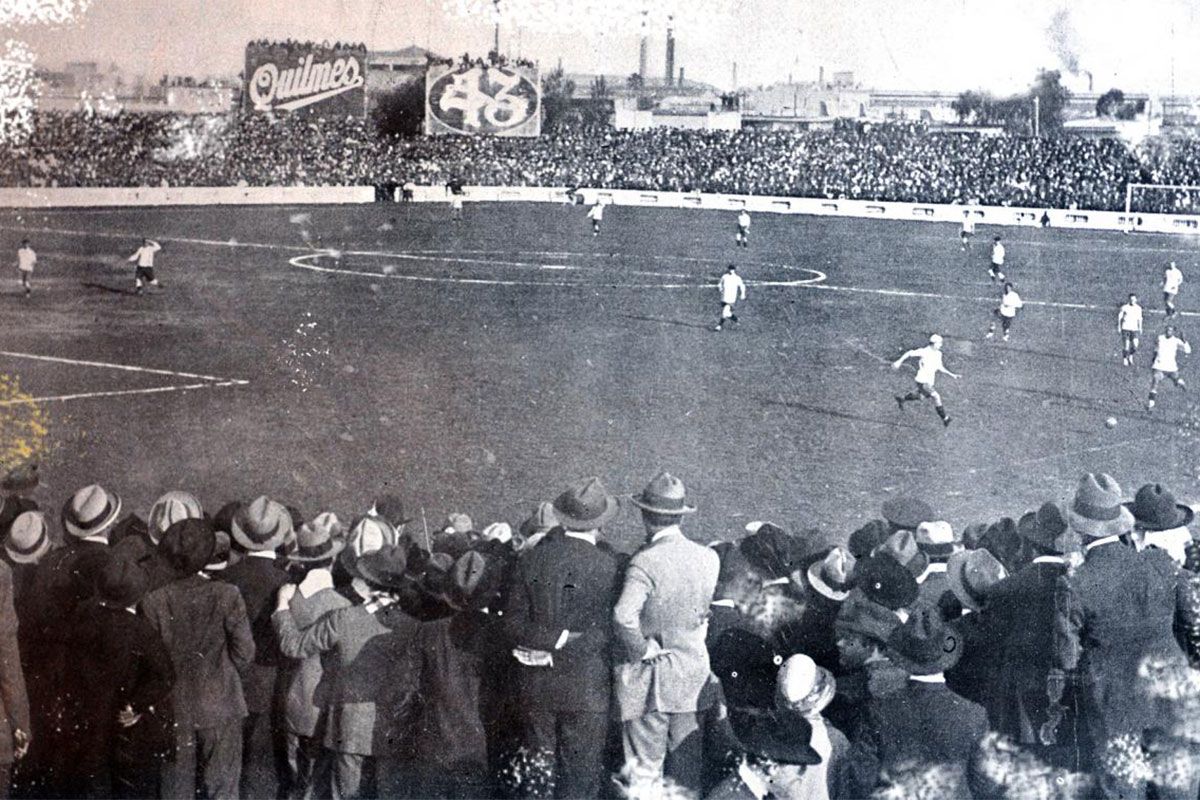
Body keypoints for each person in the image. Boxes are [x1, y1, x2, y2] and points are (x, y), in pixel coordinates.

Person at [1063, 472, 1195, 773]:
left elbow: (1066, 657)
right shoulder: (1160, 563)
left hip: (1115, 710)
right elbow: (1191, 614)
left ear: (1081, 530)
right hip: (1170, 701)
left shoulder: (1075, 582)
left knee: (1124, 788)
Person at [273, 545, 422, 800]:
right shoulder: (415, 627)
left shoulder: (343, 618)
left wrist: (282, 608)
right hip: (394, 732)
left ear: (366, 580)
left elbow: (294, 646)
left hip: (348, 729)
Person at [503, 477, 621, 799]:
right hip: (587, 688)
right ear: (600, 523)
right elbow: (610, 630)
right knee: (580, 782)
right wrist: (563, 646)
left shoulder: (529, 560)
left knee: (537, 779)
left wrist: (552, 643)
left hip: (535, 685)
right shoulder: (611, 566)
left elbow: (511, 624)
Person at [614, 472, 719, 793]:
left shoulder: (645, 562)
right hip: (694, 677)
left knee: (644, 772)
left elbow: (622, 616)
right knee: (687, 770)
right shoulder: (709, 558)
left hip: (652, 680)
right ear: (680, 516)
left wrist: (641, 649)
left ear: (645, 515)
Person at [142, 518, 254, 800]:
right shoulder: (228, 594)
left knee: (176, 792)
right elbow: (245, 652)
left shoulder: (154, 601)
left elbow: (151, 664)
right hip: (221, 703)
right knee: (223, 791)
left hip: (174, 708)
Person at [55, 557, 175, 799]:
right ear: (137, 595)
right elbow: (166, 675)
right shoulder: (139, 629)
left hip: (86, 721)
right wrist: (137, 705)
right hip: (123, 723)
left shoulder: (81, 618)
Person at [219, 496, 294, 799]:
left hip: (229, 680)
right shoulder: (286, 580)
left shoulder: (225, 578)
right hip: (271, 682)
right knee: (261, 764)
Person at [892, 333, 959, 428]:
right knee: (936, 396)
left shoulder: (939, 354)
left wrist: (952, 374)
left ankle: (902, 399)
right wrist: (899, 361)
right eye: (940, 343)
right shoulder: (924, 351)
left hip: (929, 381)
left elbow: (940, 367)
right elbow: (909, 353)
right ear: (934, 343)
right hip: (922, 381)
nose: (941, 345)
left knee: (921, 396)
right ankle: (945, 418)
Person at [1147, 323, 1191, 409]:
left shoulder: (1176, 341)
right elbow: (1156, 349)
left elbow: (1188, 351)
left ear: (1173, 332)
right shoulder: (1160, 338)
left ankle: (1188, 395)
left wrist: (1184, 340)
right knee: (1155, 381)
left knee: (1179, 382)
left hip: (1171, 367)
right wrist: (1153, 359)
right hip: (1159, 366)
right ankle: (1151, 404)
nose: (1168, 332)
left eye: (1170, 330)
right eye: (1167, 330)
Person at [715, 264, 747, 332]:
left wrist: (743, 294)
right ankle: (735, 319)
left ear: (734, 270)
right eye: (730, 269)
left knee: (725, 312)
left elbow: (742, 286)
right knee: (727, 313)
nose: (731, 271)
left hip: (731, 298)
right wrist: (720, 289)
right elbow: (719, 283)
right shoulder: (724, 276)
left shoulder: (737, 278)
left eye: (732, 269)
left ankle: (719, 325)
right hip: (724, 297)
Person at [1118, 293, 1143, 366]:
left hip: (1135, 329)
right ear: (1129, 299)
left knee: (1135, 345)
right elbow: (1120, 317)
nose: (1132, 301)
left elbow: (1140, 318)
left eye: (1133, 299)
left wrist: (1140, 328)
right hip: (1126, 328)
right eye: (1131, 299)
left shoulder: (1138, 308)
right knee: (1126, 345)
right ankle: (1125, 358)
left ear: (1136, 300)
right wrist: (1119, 327)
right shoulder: (1125, 307)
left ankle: (1131, 355)